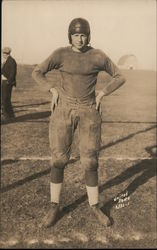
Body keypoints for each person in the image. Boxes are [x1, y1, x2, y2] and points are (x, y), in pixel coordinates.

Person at [32, 17, 126, 228]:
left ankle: (95, 206)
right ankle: (54, 206)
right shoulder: (60, 54)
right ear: (70, 36)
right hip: (63, 110)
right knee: (58, 160)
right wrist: (52, 89)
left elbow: (119, 76)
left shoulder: (98, 55)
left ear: (88, 35)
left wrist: (102, 93)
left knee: (90, 161)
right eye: (76, 35)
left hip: (88, 110)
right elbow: (37, 71)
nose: (79, 39)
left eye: (83, 35)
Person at [1, 47, 17, 121]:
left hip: (7, 83)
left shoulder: (11, 61)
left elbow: (13, 73)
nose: (2, 55)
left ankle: (7, 116)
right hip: (5, 82)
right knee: (6, 99)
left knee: (5, 99)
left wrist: (8, 82)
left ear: (6, 54)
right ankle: (11, 115)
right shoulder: (7, 61)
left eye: (3, 53)